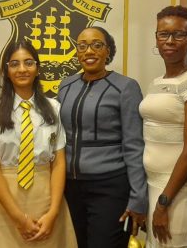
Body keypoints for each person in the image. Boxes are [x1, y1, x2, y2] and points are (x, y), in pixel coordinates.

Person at [57, 26, 147, 248]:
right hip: (70, 188)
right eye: (83, 46)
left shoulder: (126, 87)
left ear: (108, 51)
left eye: (97, 45)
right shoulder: (65, 86)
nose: (89, 51)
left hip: (110, 188)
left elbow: (134, 145)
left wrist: (138, 197)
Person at [0, 40, 77, 247]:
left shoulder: (53, 107)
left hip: (46, 199)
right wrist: (19, 218)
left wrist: (53, 213)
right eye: (14, 64)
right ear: (6, 70)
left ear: (37, 68)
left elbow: (58, 163)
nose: (22, 69)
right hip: (5, 202)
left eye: (28, 63)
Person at [140, 6, 187, 248]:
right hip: (153, 186)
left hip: (177, 193)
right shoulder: (157, 83)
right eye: (163, 34)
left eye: (179, 35)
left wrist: (163, 202)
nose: (170, 41)